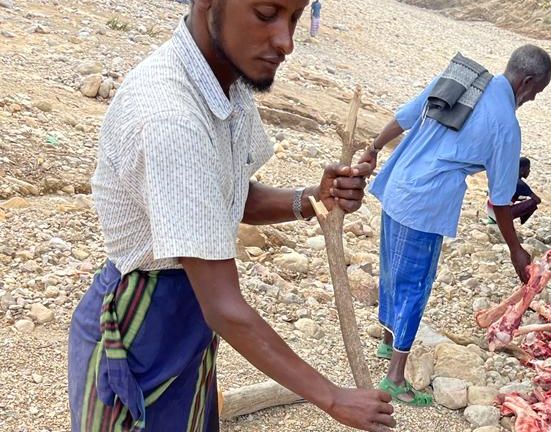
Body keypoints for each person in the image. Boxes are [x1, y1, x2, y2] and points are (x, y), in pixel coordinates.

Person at [67, 1, 395, 431]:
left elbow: (223, 195)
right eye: (265, 13)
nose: (286, 42)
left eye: (295, 17)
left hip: (185, 317)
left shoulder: (225, 81)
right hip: (141, 323)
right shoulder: (171, 116)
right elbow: (223, 306)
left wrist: (313, 199)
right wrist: (332, 397)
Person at [357, 44, 551, 406]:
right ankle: (395, 377)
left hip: (399, 183)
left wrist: (373, 148)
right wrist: (515, 249)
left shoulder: (463, 78)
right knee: (415, 284)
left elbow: (406, 115)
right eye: (536, 93)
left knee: (391, 270)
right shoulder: (506, 124)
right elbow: (500, 199)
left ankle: (388, 342)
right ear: (526, 82)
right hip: (425, 204)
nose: (532, 100)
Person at [486, 157, 541, 225]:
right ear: (522, 169)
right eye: (528, 168)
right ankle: (514, 220)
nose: (529, 171)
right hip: (500, 213)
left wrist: (521, 199)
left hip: (490, 209)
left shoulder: (505, 176)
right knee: (533, 203)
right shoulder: (520, 184)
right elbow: (538, 200)